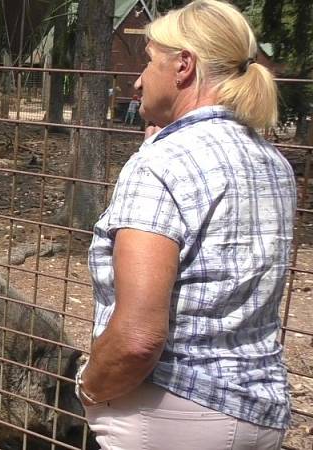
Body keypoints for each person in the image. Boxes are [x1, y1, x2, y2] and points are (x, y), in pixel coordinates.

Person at [79, 1, 295, 449]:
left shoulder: (160, 165)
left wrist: (90, 390)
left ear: (183, 66)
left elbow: (137, 338)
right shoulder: (272, 161)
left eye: (148, 61)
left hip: (173, 416)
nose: (138, 79)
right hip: (261, 413)